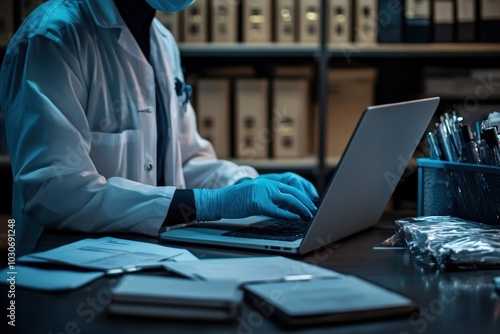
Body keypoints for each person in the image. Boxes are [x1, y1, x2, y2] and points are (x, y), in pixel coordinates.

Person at [0, 0, 318, 256]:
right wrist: (210, 204)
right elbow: (55, 190)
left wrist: (245, 182)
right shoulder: (53, 36)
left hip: (152, 256)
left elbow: (185, 161)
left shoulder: (163, 43)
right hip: (66, 272)